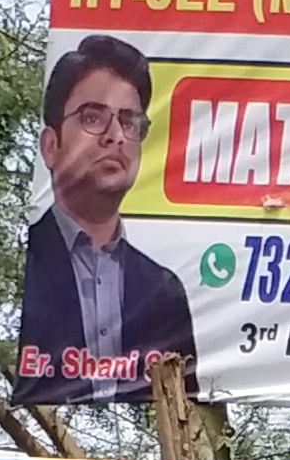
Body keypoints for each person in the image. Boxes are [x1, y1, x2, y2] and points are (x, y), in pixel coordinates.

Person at [14, 35, 194, 404]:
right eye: (93, 118)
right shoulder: (20, 262)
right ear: (51, 145)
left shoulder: (164, 292)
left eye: (129, 122)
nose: (115, 137)